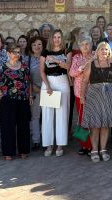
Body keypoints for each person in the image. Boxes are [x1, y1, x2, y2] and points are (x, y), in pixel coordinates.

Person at [81, 42, 112, 162]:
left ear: (109, 52)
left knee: (105, 124)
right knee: (95, 125)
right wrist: (82, 96)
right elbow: (84, 81)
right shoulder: (90, 64)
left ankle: (103, 149)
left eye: (106, 49)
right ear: (97, 51)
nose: (104, 51)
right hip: (94, 96)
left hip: (110, 96)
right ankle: (94, 150)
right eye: (102, 49)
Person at [0, 43, 31, 160]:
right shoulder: (2, 67)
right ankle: (8, 152)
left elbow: (29, 82)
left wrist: (30, 96)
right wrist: (0, 94)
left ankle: (23, 150)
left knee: (23, 125)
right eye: (15, 52)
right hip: (7, 101)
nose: (17, 54)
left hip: (23, 99)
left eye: (19, 52)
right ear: (8, 53)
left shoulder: (24, 67)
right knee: (7, 126)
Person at [41, 29, 70, 157]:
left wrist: (56, 60)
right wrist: (47, 86)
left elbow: (68, 66)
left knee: (62, 114)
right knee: (47, 114)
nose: (56, 39)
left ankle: (60, 144)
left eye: (59, 37)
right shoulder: (45, 52)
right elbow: (42, 70)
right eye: (54, 37)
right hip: (48, 81)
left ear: (61, 38)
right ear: (51, 39)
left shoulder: (66, 50)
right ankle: (48, 144)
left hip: (62, 81)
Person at [69, 34, 95, 155]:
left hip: (94, 92)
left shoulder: (95, 55)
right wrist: (82, 67)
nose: (85, 46)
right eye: (82, 44)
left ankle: (92, 145)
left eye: (87, 44)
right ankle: (84, 145)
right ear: (79, 46)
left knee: (93, 119)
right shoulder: (77, 57)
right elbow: (72, 73)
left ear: (91, 45)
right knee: (81, 119)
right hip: (80, 93)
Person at [24, 35, 44, 149]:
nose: (37, 46)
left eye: (39, 44)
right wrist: (32, 87)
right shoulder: (27, 60)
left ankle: (47, 140)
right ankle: (36, 140)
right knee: (35, 116)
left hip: (47, 91)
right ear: (30, 47)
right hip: (35, 92)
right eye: (34, 44)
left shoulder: (48, 58)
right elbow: (24, 77)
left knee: (47, 116)